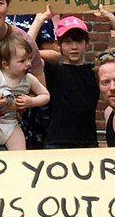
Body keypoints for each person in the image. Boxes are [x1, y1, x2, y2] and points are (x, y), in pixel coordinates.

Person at [40, 18, 100, 149]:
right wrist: (40, 19)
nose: (74, 47)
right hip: (56, 141)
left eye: (78, 41)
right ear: (58, 45)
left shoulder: (94, 71)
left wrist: (111, 18)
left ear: (87, 44)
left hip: (87, 142)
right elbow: (27, 50)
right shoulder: (52, 70)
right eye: (67, 42)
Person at [0, 34, 48, 151]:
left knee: (20, 156)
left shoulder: (28, 78)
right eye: (22, 60)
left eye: (29, 58)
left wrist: (31, 101)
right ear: (6, 65)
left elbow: (46, 96)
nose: (28, 63)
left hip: (12, 125)